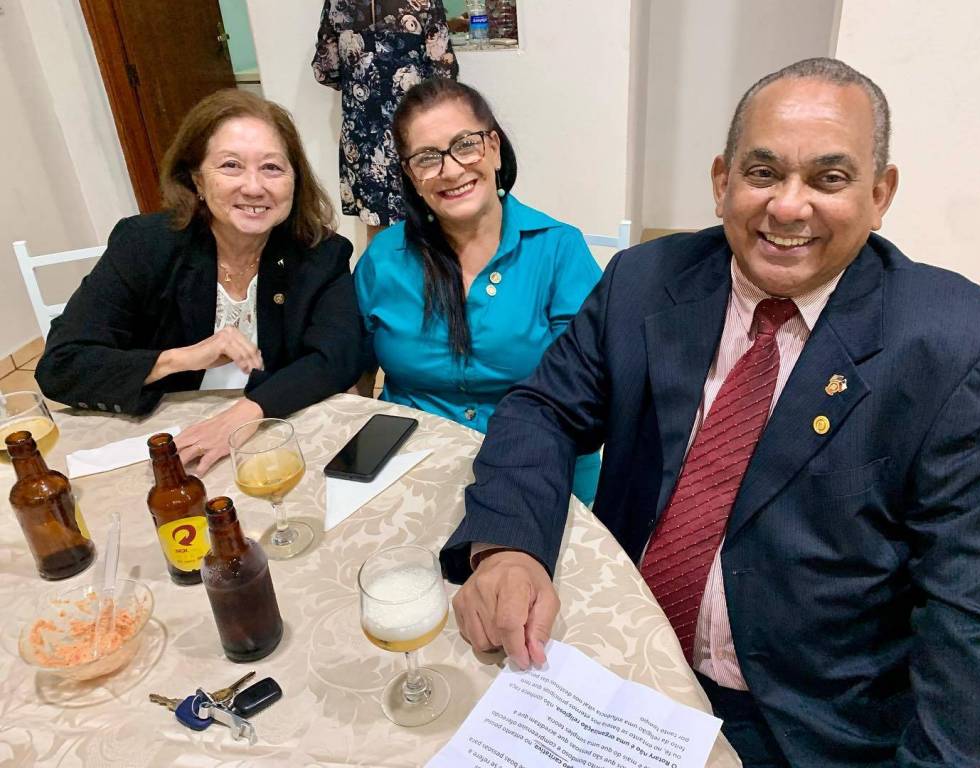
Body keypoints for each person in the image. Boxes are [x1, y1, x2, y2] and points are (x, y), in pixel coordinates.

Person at [440, 58, 980, 767]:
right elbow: (543, 409)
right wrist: (506, 547)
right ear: (722, 182)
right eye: (763, 172)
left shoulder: (961, 353)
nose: (788, 207)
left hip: (802, 722)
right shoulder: (642, 281)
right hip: (618, 657)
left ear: (880, 196)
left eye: (829, 179)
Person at [36, 89, 363, 475]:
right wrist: (180, 358)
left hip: (269, 441)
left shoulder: (320, 253)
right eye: (231, 165)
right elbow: (61, 365)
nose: (254, 186)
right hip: (165, 445)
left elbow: (336, 358)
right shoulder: (145, 245)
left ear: (295, 181)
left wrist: (244, 416)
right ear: (197, 181)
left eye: (272, 168)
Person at [354, 78, 603, 505]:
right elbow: (354, 374)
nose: (451, 170)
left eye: (465, 145)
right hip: (411, 467)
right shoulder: (384, 258)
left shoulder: (559, 250)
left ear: (494, 148)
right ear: (412, 176)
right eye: (427, 158)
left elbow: (584, 391)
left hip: (536, 465)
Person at [313, 0, 458, 238]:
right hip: (413, 127)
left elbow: (326, 70)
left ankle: (383, 264)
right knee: (428, 213)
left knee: (376, 224)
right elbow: (444, 69)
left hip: (363, 129)